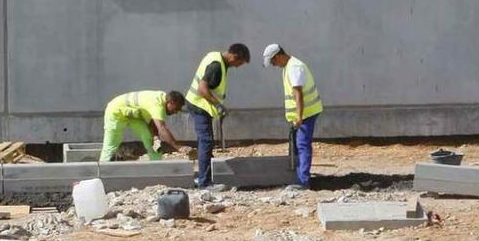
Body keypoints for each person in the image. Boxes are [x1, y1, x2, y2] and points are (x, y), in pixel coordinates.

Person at [185, 43, 251, 188]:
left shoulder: (216, 57)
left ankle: (204, 176)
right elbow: (202, 89)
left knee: (205, 142)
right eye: (240, 62)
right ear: (234, 57)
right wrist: (218, 105)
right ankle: (204, 182)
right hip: (199, 105)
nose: (239, 66)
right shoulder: (216, 66)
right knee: (206, 141)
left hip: (198, 104)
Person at [262, 44, 323, 190]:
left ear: (278, 56)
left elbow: (298, 93)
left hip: (306, 113)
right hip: (300, 115)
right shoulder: (288, 67)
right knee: (297, 146)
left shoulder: (294, 67)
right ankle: (299, 177)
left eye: (273, 62)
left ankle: (303, 182)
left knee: (302, 145)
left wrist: (299, 116)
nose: (274, 65)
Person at [100, 90, 188, 162]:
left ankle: (157, 164)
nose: (176, 112)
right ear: (171, 102)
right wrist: (178, 147)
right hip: (115, 112)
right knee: (111, 144)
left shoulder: (162, 102)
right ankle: (102, 171)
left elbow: (153, 125)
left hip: (132, 115)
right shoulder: (157, 105)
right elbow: (162, 129)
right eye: (176, 109)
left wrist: (156, 138)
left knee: (148, 137)